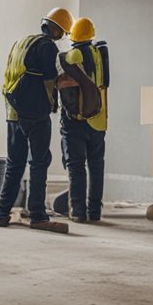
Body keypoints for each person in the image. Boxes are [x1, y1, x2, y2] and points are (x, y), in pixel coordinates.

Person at [0, 7, 73, 230]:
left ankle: (2, 212)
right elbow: (52, 80)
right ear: (56, 29)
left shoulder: (22, 41)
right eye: (63, 32)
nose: (62, 36)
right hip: (35, 113)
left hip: (13, 112)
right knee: (39, 162)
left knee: (14, 163)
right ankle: (37, 215)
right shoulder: (47, 47)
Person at [53, 17, 109, 222]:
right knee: (96, 166)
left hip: (75, 121)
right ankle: (95, 212)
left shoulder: (71, 55)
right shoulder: (100, 55)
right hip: (99, 119)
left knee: (76, 166)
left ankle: (77, 211)